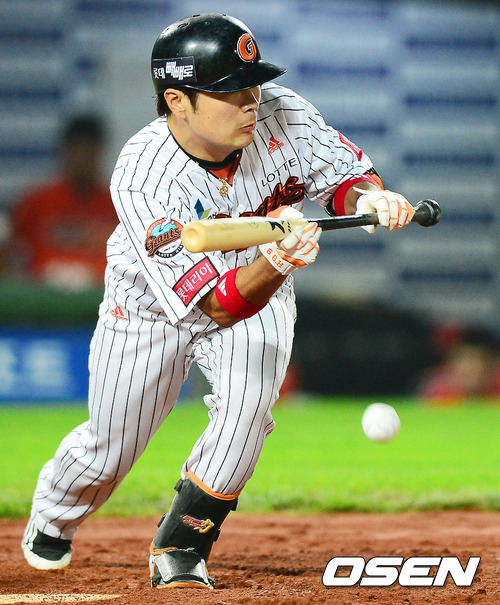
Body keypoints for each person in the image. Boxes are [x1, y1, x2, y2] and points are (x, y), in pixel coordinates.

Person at [21, 13, 415, 589]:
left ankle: (183, 543)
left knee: (248, 411)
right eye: (230, 91)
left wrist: (371, 199)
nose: (251, 100)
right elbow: (216, 306)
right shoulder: (144, 174)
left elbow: (344, 180)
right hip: (152, 304)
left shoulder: (284, 114)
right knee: (111, 447)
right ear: (177, 101)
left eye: (252, 83)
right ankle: (54, 513)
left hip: (261, 284)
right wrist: (280, 259)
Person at [10, 114, 117, 290]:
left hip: (101, 296)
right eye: (78, 149)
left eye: (89, 150)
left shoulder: (117, 204)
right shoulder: (38, 202)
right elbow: (11, 252)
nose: (83, 158)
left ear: (99, 151)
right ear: (66, 150)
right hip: (44, 296)